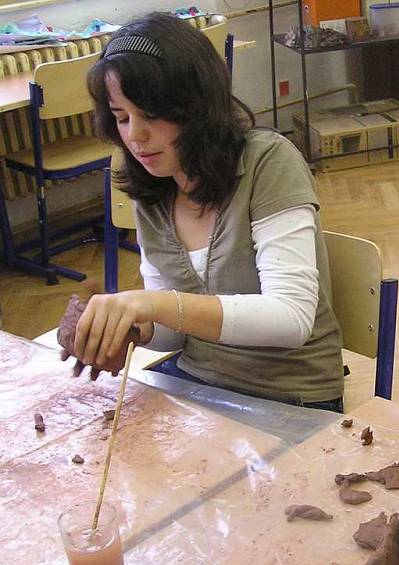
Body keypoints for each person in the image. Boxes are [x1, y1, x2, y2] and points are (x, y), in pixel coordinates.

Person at [64, 13, 344, 411]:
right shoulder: (149, 179)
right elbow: (173, 336)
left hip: (290, 394)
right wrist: (134, 332)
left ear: (196, 107)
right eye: (121, 117)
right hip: (196, 381)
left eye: (151, 115)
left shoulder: (268, 161)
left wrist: (152, 305)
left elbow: (291, 318)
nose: (135, 136)